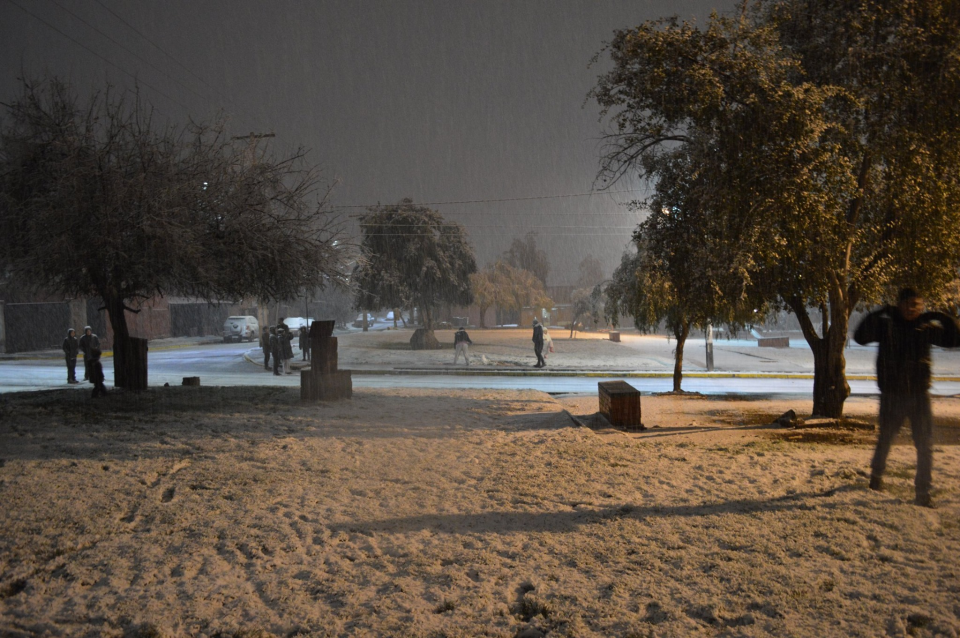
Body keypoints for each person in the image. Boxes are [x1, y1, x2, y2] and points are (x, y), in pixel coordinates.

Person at [854, 287, 960, 507]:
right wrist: (877, 313)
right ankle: (876, 477)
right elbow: (860, 337)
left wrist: (941, 317)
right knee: (886, 438)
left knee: (925, 444)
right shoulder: (886, 326)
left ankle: (923, 493)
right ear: (899, 304)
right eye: (909, 304)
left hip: (919, 395)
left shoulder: (925, 328)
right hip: (892, 394)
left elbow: (955, 340)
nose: (913, 309)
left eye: (918, 305)